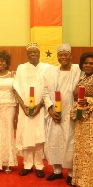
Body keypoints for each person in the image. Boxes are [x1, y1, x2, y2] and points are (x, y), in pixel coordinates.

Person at [42, 43, 81, 185]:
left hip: (72, 112)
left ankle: (71, 173)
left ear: (71, 55)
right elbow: (45, 93)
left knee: (70, 141)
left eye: (66, 54)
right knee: (54, 140)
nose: (63, 57)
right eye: (60, 55)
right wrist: (50, 110)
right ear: (57, 56)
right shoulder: (50, 72)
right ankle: (57, 171)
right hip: (55, 114)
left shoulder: (78, 70)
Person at [13, 42, 52, 178]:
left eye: (35, 52)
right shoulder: (21, 68)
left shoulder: (48, 68)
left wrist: (40, 105)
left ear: (39, 53)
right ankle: (27, 165)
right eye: (30, 52)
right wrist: (23, 107)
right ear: (27, 54)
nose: (33, 54)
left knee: (39, 137)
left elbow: (51, 89)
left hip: (41, 109)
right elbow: (16, 88)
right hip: (25, 109)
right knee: (27, 137)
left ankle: (40, 166)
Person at [71, 52, 93, 187]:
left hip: (91, 120)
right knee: (81, 148)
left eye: (91, 63)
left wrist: (89, 100)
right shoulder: (83, 78)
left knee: (90, 150)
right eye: (85, 63)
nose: (88, 65)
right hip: (82, 119)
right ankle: (81, 179)